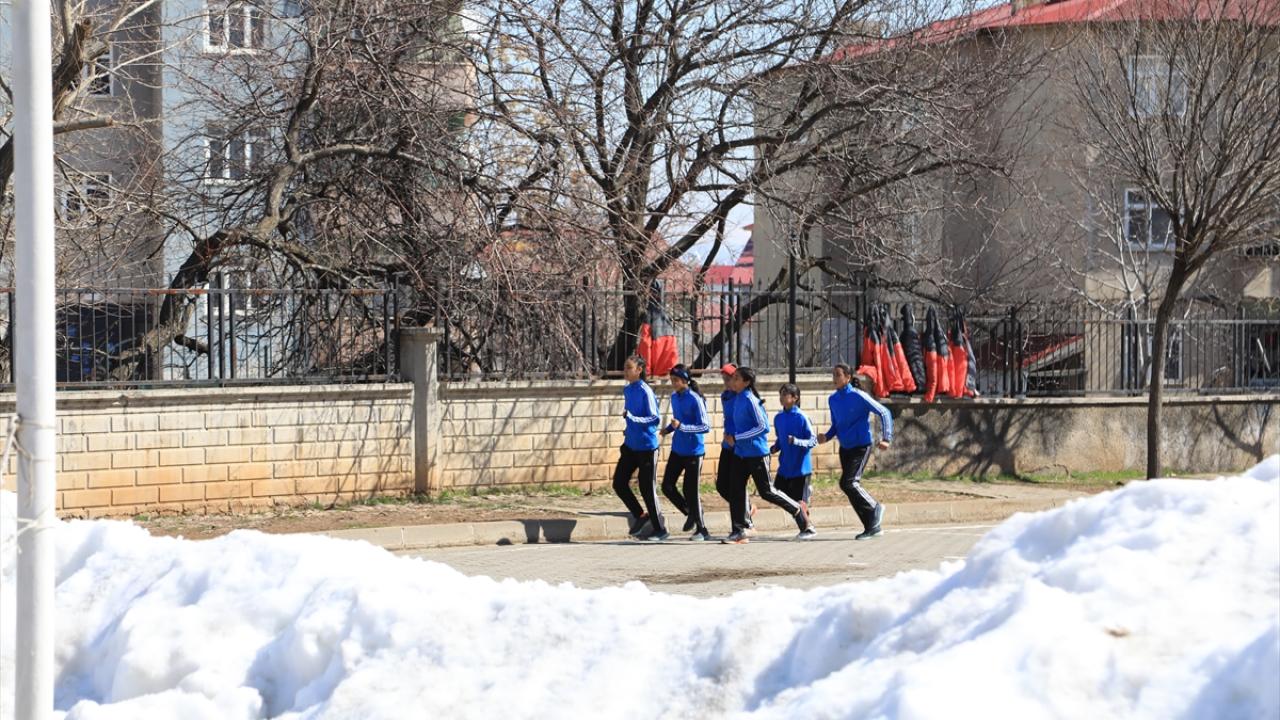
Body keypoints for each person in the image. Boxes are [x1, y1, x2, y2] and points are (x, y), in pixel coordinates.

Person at [724, 367, 814, 544]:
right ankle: (740, 529)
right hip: (741, 453)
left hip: (757, 453)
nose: (732, 381)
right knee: (735, 489)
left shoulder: (751, 400)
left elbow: (762, 427)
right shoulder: (737, 399)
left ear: (746, 382)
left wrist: (737, 437)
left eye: (736, 378)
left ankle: (798, 510)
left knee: (767, 491)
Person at [818, 363, 893, 540]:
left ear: (848, 377)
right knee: (848, 485)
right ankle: (871, 526)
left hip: (861, 446)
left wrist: (886, 438)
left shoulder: (859, 396)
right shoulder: (833, 399)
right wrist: (826, 437)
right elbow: (836, 425)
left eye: (838, 375)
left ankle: (875, 507)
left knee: (850, 482)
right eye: (833, 375)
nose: (834, 378)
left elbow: (884, 412)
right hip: (845, 448)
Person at [612, 355, 668, 540]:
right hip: (630, 446)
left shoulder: (646, 391)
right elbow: (631, 416)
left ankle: (660, 529)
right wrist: (629, 429)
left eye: (629, 367)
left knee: (647, 488)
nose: (625, 371)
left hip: (646, 447)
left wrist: (633, 419)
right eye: (624, 367)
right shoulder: (628, 390)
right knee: (619, 483)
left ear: (639, 370)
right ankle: (640, 515)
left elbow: (654, 418)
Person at [659, 364, 712, 541]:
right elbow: (677, 421)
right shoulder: (674, 397)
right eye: (671, 380)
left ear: (685, 380)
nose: (673, 383)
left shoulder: (695, 399)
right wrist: (668, 430)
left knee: (691, 491)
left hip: (694, 452)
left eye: (676, 380)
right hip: (678, 449)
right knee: (667, 486)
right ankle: (690, 512)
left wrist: (682, 427)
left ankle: (702, 529)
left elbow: (705, 426)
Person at [713, 363, 754, 531]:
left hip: (739, 446)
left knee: (737, 486)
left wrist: (737, 438)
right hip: (727, 445)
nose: (727, 382)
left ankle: (745, 521)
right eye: (724, 379)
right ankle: (745, 506)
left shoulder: (745, 397)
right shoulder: (725, 396)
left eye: (730, 379)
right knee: (722, 485)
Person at [771, 383, 817, 517]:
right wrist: (775, 448)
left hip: (800, 469)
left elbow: (813, 441)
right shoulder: (778, 417)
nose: (781, 397)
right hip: (785, 467)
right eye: (780, 394)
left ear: (795, 398)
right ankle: (804, 518)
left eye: (785, 394)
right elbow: (781, 439)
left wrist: (797, 441)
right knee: (777, 494)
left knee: (798, 502)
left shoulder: (802, 417)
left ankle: (808, 527)